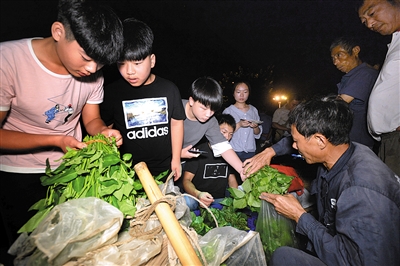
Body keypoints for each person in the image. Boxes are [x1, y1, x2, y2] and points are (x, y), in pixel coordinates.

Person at [0, 0, 124, 247]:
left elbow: (91, 119)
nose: (92, 69)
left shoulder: (93, 72)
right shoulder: (8, 61)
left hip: (68, 171)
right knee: (25, 251)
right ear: (58, 32)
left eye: (100, 64)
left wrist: (103, 132)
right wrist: (55, 140)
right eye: (87, 58)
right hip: (18, 174)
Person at [260, 96, 400, 265]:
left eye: (296, 141)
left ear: (320, 140)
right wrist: (270, 151)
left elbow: (352, 260)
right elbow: (292, 143)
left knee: (283, 257)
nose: (294, 146)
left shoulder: (362, 190)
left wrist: (299, 216)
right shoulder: (342, 152)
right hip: (337, 241)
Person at [100, 18, 185, 181]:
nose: (129, 71)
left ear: (152, 60)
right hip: (127, 174)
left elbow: (176, 123)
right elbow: (105, 128)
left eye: (137, 63)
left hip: (164, 170)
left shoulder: (169, 89)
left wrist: (176, 159)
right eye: (121, 64)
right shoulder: (112, 92)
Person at [358, 0, 400, 175]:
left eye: (372, 13)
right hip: (388, 141)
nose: (369, 24)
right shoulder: (395, 41)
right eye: (364, 21)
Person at [180, 77, 245, 182]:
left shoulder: (210, 121)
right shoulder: (174, 108)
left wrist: (242, 170)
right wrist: (176, 153)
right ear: (191, 100)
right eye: (204, 108)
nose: (208, 114)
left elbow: (223, 147)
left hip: (178, 164)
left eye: (213, 109)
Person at [330, 36, 378, 149]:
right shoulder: (351, 76)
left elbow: (340, 103)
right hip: (347, 140)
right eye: (333, 58)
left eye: (339, 55)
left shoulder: (365, 74)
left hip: (357, 143)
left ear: (355, 51)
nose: (336, 62)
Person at [183, 114, 238, 210]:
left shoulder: (229, 154)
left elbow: (232, 179)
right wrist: (198, 194)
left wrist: (237, 198)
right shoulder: (199, 150)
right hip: (198, 198)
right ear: (214, 129)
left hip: (218, 200)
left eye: (231, 134)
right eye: (224, 132)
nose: (227, 137)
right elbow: (186, 180)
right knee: (187, 201)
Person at [223, 81, 262, 161]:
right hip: (233, 150)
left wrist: (255, 127)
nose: (241, 95)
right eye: (238, 92)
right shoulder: (228, 111)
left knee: (248, 172)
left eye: (245, 92)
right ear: (233, 93)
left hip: (250, 151)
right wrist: (239, 124)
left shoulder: (253, 110)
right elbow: (223, 132)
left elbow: (257, 133)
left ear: (249, 93)